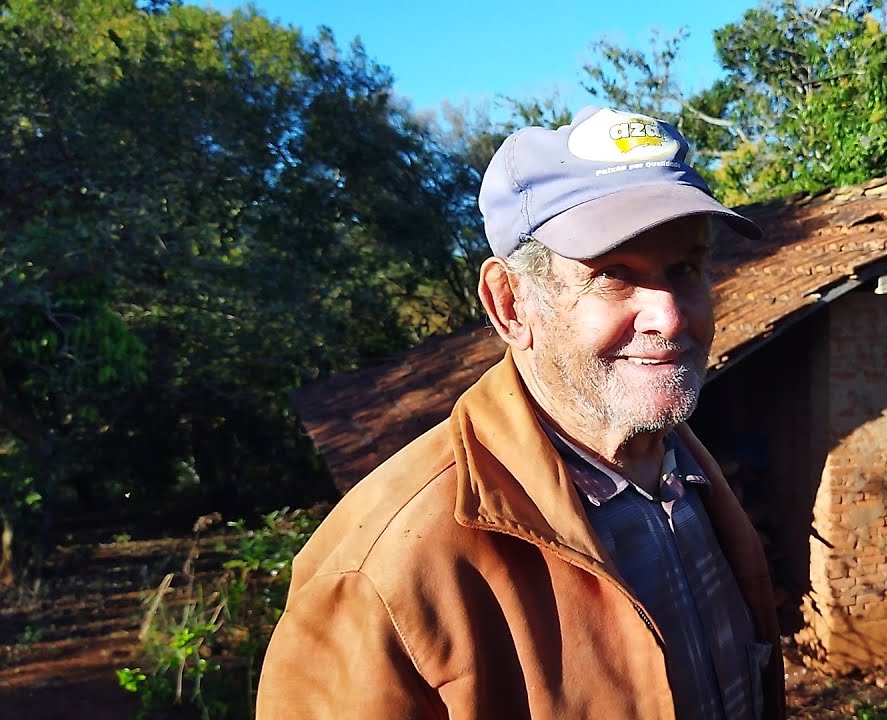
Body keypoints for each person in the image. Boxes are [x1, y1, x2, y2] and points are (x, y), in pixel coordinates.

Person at [257, 106, 784, 720]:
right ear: (510, 305)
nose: (669, 317)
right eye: (614, 276)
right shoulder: (380, 572)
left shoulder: (685, 471)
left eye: (685, 269)